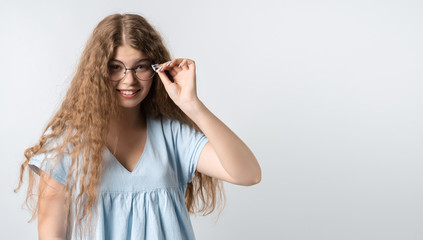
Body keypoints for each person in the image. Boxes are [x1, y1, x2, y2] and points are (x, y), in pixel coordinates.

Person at [14, 13, 261, 240]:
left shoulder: (173, 136)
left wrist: (192, 105)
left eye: (141, 66)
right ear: (97, 72)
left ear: (157, 70)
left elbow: (249, 174)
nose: (129, 79)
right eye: (115, 68)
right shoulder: (65, 148)